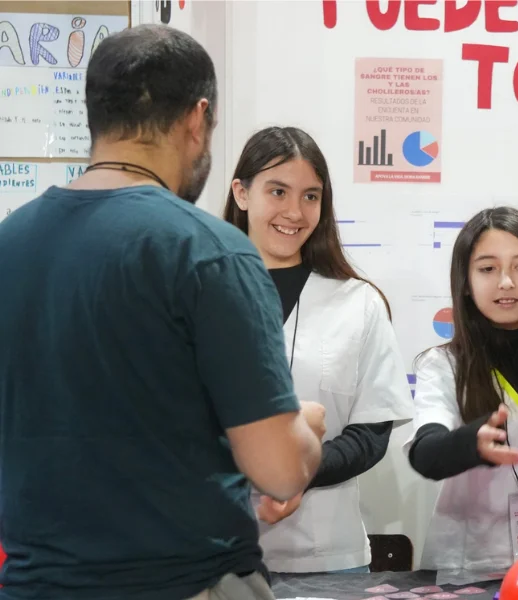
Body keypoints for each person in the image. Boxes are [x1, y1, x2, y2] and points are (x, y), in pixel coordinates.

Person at [0, 26, 324, 600]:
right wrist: (305, 427)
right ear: (197, 118)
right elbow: (277, 469)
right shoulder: (208, 250)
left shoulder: (11, 244)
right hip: (184, 581)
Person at [223, 127, 414, 578]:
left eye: (311, 196)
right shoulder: (200, 293)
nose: (295, 211)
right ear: (242, 193)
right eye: (278, 191)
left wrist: (300, 471)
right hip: (219, 551)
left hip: (329, 556)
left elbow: (371, 432)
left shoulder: (359, 302)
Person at [404, 207, 518, 584]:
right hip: (475, 563)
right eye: (487, 269)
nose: (506, 282)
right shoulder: (443, 364)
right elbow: (425, 452)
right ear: (465, 281)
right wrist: (469, 444)